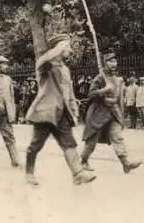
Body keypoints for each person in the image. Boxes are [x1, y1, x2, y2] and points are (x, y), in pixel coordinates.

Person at [25, 33, 96, 186]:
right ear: (59, 47)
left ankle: (77, 174)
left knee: (69, 143)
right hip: (45, 112)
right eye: (68, 46)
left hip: (62, 113)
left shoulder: (65, 69)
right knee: (36, 144)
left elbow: (69, 92)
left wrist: (73, 110)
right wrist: (59, 48)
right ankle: (29, 173)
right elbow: (43, 61)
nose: (70, 50)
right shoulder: (46, 66)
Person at [81, 52, 141, 174]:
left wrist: (121, 116)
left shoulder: (118, 80)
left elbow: (119, 100)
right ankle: (83, 161)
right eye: (110, 62)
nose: (113, 64)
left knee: (117, 136)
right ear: (105, 64)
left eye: (114, 62)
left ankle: (125, 163)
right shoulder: (99, 78)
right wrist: (104, 90)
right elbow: (91, 95)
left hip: (113, 113)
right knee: (91, 141)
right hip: (98, 113)